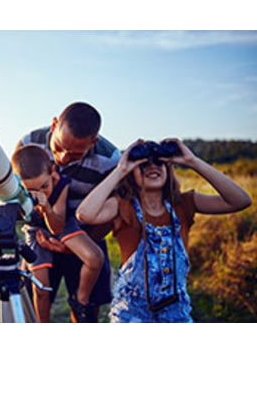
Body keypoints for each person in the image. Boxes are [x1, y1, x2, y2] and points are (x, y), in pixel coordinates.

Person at [76, 138, 252, 322]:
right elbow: (85, 214)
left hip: (176, 308)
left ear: (169, 169)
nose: (153, 167)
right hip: (131, 309)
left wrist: (193, 161)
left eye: (160, 163)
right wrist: (121, 169)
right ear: (131, 174)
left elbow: (240, 201)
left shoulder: (184, 204)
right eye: (143, 165)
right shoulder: (123, 206)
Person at [17, 102, 121, 322]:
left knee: (86, 313)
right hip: (39, 234)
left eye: (75, 155)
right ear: (54, 125)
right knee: (34, 301)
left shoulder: (111, 161)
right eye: (58, 147)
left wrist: (73, 247)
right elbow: (17, 192)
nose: (62, 158)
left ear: (94, 142)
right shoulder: (29, 143)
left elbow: (115, 211)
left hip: (83, 234)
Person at [12, 144, 104, 322]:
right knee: (40, 289)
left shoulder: (61, 184)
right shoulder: (17, 192)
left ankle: (80, 300)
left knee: (95, 258)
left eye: (44, 186)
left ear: (53, 172)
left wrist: (46, 208)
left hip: (60, 222)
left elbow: (57, 228)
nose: (39, 193)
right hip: (36, 231)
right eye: (32, 191)